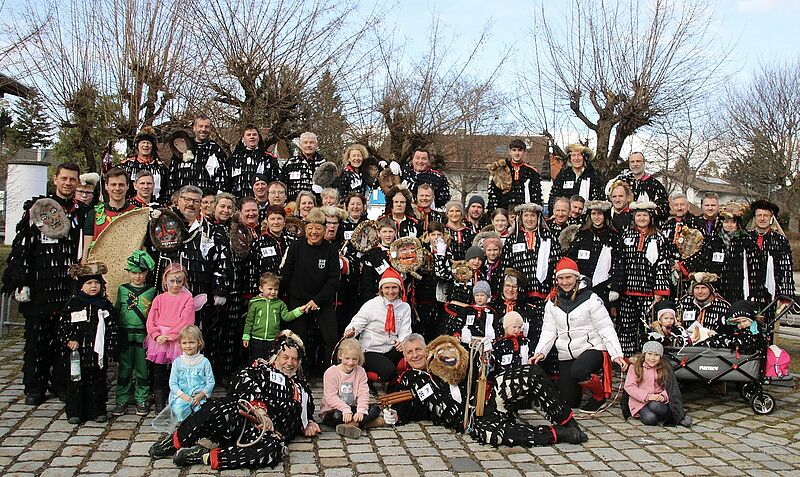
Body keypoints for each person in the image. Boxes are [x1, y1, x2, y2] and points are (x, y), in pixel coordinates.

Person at [149, 332, 320, 469]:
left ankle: (202, 456)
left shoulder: (302, 388)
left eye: (294, 358)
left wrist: (308, 422)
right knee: (218, 407)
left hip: (267, 434)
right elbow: (241, 381)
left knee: (272, 450)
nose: (290, 363)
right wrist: (259, 410)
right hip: (243, 419)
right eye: (285, 357)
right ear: (276, 357)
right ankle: (175, 441)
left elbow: (306, 412)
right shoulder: (262, 369)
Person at [3, 162, 83, 405]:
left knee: (64, 341)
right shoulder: (37, 209)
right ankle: (34, 386)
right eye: (64, 178)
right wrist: (21, 280)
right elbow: (22, 248)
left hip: (67, 285)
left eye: (73, 179)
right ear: (56, 179)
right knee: (37, 338)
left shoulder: (82, 212)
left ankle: (60, 384)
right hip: (41, 284)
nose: (68, 183)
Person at [532, 258, 626, 411]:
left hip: (592, 348)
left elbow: (605, 327)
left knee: (579, 370)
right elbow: (549, 330)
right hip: (567, 352)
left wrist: (616, 354)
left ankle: (599, 395)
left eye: (568, 277)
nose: (565, 282)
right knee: (570, 403)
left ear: (576, 277)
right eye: (561, 278)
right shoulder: (552, 301)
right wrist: (540, 352)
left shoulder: (591, 298)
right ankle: (580, 386)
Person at [281, 208, 341, 371]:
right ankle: (300, 372)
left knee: (330, 337)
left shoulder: (330, 250)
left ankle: (332, 372)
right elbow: (286, 273)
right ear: (305, 228)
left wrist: (317, 300)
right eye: (310, 228)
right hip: (298, 300)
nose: (314, 232)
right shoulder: (295, 247)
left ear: (324, 229)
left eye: (318, 228)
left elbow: (334, 280)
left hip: (321, 300)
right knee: (298, 339)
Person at [59, 262, 117, 424]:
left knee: (97, 381)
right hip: (77, 352)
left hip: (96, 352)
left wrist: (111, 346)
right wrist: (70, 339)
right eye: (89, 283)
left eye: (97, 283)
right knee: (76, 381)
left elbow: (113, 326)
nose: (93, 287)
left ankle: (97, 410)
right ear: (81, 286)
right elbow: (64, 324)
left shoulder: (104, 305)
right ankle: (75, 411)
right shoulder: (74, 304)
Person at [611, 201, 671, 356]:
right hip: (627, 291)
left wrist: (660, 290)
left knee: (649, 326)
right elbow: (619, 262)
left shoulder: (659, 238)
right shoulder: (625, 235)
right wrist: (617, 287)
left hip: (649, 292)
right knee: (626, 325)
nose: (642, 218)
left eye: (645, 215)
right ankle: (626, 358)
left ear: (650, 217)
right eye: (639, 215)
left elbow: (662, 265)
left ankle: (648, 357)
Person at [145, 263, 199, 410]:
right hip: (160, 340)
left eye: (179, 281)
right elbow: (151, 319)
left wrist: (172, 335)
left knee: (177, 371)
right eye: (172, 281)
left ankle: (177, 400)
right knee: (159, 371)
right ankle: (159, 402)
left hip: (177, 339)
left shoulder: (187, 299)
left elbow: (186, 319)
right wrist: (156, 335)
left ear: (184, 282)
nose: (175, 285)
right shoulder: (159, 299)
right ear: (165, 281)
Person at [344, 269, 411, 382]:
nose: (390, 291)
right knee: (390, 372)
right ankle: (364, 377)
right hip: (370, 350)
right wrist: (351, 331)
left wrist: (402, 341)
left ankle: (395, 387)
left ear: (399, 289)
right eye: (387, 288)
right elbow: (357, 323)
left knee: (411, 357)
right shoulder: (371, 305)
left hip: (390, 347)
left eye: (394, 287)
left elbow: (405, 330)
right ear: (381, 289)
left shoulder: (404, 307)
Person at [113, 251, 157, 417]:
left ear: (146, 273)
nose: (137, 276)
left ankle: (142, 397)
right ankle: (121, 399)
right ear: (129, 272)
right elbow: (118, 309)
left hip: (143, 335)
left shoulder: (152, 291)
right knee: (124, 369)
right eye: (134, 273)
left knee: (142, 369)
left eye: (141, 273)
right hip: (125, 334)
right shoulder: (123, 289)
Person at [700, 202, 765, 303]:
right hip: (717, 290)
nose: (729, 225)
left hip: (740, 289)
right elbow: (705, 264)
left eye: (732, 222)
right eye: (726, 222)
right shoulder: (713, 241)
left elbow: (755, 269)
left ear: (737, 223)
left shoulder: (747, 241)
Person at [320, 338, 383, 438]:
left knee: (375, 408)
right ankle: (368, 423)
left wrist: (361, 410)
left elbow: (363, 393)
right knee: (337, 416)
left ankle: (353, 425)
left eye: (355, 359)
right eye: (347, 358)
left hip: (352, 409)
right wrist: (345, 409)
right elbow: (330, 397)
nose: (350, 362)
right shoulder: (331, 373)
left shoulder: (360, 371)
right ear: (340, 356)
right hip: (334, 411)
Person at [624, 341, 690, 427]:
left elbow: (670, 387)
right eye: (649, 354)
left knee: (655, 405)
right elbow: (630, 386)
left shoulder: (664, 368)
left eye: (656, 355)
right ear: (644, 354)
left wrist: (663, 396)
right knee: (650, 419)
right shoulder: (635, 366)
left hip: (657, 401)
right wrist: (647, 396)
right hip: (639, 401)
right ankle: (646, 413)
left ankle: (669, 415)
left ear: (660, 356)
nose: (652, 358)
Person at [565, 200, 617, 305]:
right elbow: (570, 258)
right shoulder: (582, 234)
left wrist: (616, 287)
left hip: (604, 286)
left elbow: (618, 263)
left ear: (605, 215)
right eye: (593, 213)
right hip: (582, 285)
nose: (596, 217)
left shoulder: (613, 236)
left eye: (599, 214)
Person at [243, 272, 304, 361]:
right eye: (270, 289)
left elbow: (286, 317)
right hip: (256, 339)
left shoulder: (280, 304)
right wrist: (246, 336)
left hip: (272, 339)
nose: (273, 292)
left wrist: (299, 310)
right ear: (261, 288)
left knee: (271, 361)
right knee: (256, 361)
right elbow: (249, 321)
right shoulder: (254, 303)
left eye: (276, 289)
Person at [82, 168, 138, 260]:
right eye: (113, 184)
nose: (117, 188)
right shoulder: (93, 214)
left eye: (121, 185)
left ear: (128, 186)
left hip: (128, 270)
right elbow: (86, 251)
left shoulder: (136, 214)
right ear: (106, 186)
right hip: (99, 270)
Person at [748, 199, 795, 306]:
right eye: (759, 215)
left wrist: (785, 295)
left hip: (772, 294)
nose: (762, 218)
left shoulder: (780, 240)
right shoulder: (746, 238)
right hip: (749, 292)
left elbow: (786, 268)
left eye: (766, 215)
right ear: (754, 218)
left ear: (771, 218)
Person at [169, 325, 215, 423]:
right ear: (180, 344)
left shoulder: (204, 362)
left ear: (199, 343)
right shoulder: (177, 362)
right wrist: (183, 396)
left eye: (191, 342)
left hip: (199, 397)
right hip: (182, 397)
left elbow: (211, 382)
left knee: (202, 413)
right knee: (179, 410)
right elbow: (173, 383)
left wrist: (201, 395)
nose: (188, 346)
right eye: (184, 343)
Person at [611, 152, 669, 224]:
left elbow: (664, 210)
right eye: (632, 162)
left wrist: (647, 214)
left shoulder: (655, 185)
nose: (635, 164)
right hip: (622, 226)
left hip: (647, 229)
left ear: (644, 163)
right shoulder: (622, 181)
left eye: (638, 161)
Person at [487, 138, 543, 211]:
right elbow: (493, 194)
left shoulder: (532, 172)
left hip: (524, 213)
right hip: (503, 211)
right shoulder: (501, 169)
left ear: (524, 152)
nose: (517, 153)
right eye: (514, 150)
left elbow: (536, 197)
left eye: (519, 150)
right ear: (510, 152)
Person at [548, 144, 605, 214]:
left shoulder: (592, 176)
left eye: (579, 155)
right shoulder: (563, 175)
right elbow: (554, 196)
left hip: (586, 218)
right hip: (565, 217)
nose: (576, 158)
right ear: (570, 158)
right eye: (573, 155)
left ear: (584, 158)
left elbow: (598, 199)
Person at [119, 126, 169, 202]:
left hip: (156, 206)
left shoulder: (161, 167)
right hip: (130, 206)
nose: (145, 145)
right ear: (137, 146)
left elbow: (166, 188)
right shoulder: (126, 166)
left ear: (152, 147)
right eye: (143, 143)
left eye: (148, 143)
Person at [228, 125, 280, 198]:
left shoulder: (268, 158)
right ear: (243, 139)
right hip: (239, 199)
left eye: (254, 135)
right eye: (248, 135)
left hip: (262, 200)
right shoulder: (234, 159)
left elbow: (275, 182)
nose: (252, 137)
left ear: (258, 138)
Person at [189, 115, 230, 194]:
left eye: (206, 127)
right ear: (194, 128)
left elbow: (223, 177)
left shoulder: (216, 150)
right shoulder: (185, 147)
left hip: (209, 199)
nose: (203, 129)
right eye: (200, 126)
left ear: (210, 129)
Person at [282, 131, 326, 199]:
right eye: (305, 142)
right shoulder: (290, 163)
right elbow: (283, 185)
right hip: (294, 204)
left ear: (316, 145)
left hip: (317, 205)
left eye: (311, 142)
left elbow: (329, 186)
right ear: (300, 145)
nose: (308, 145)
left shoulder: (324, 164)